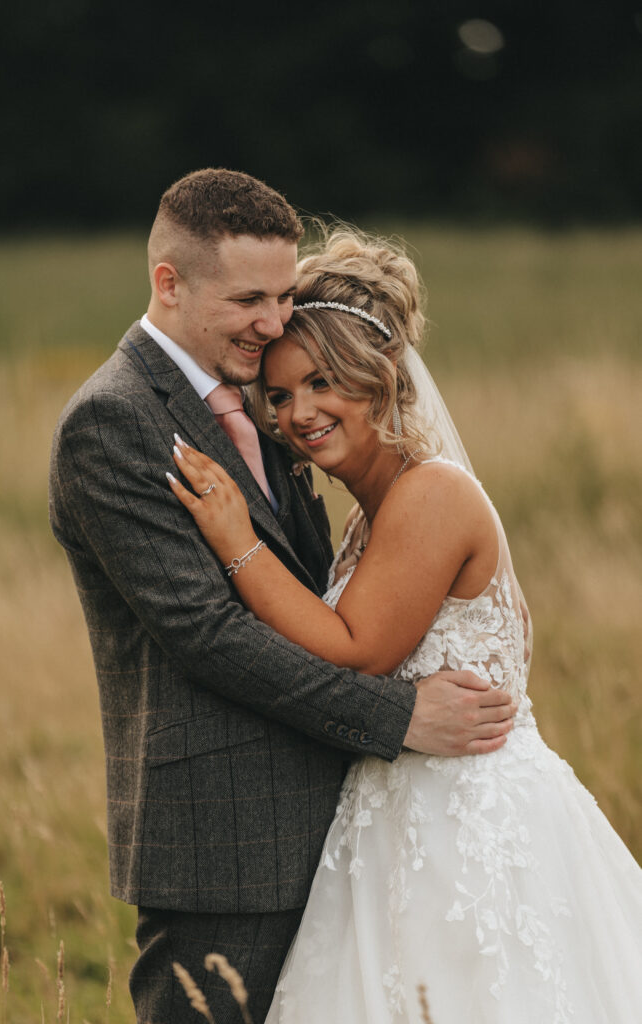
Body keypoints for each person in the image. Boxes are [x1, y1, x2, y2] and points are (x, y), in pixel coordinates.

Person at [49, 170, 517, 1024]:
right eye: (249, 300)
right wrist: (396, 717)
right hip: (226, 837)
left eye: (283, 293)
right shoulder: (113, 421)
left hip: (348, 823)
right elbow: (208, 636)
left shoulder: (265, 406)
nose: (274, 321)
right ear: (168, 282)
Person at [167, 227, 642, 1022]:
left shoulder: (429, 493)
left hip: (467, 828)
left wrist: (236, 543)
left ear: (379, 379)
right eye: (278, 395)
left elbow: (361, 649)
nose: (298, 414)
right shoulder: (371, 512)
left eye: (322, 383)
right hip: (395, 811)